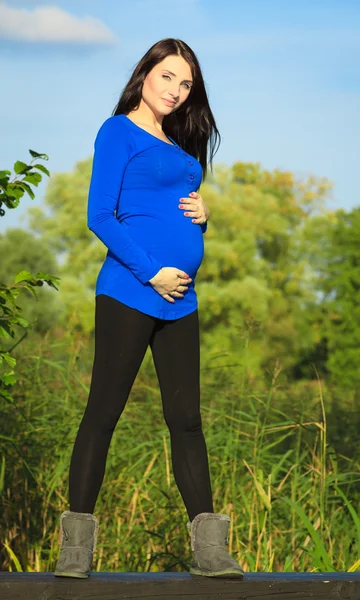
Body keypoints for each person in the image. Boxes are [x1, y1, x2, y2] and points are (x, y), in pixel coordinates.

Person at [54, 38, 244, 580]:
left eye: (185, 84)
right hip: (132, 289)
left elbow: (168, 208)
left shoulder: (179, 146)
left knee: (187, 420)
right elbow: (101, 215)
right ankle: (75, 552)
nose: (176, 91)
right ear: (144, 76)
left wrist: (202, 218)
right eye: (168, 78)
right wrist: (151, 271)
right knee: (103, 413)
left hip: (182, 299)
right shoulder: (118, 131)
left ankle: (210, 552)